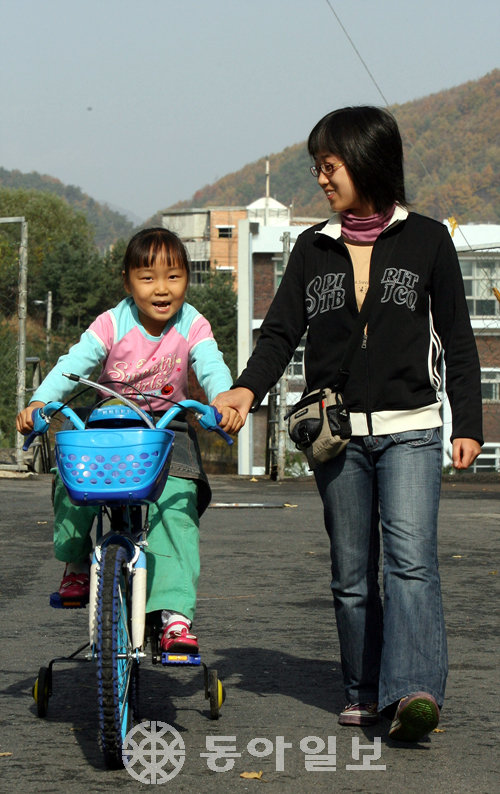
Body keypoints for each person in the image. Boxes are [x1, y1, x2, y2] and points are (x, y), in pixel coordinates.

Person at [213, 106, 483, 742]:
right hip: (336, 436)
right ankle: (365, 691)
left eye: (329, 167)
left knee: (412, 561)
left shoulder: (426, 241)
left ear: (367, 161)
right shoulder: (313, 248)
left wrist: (466, 422)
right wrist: (247, 389)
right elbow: (280, 332)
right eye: (318, 169)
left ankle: (414, 692)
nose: (323, 179)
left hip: (412, 428)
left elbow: (459, 340)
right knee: (352, 575)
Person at [17, 227, 242, 654]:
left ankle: (175, 615)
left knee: (177, 503)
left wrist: (224, 399)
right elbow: (74, 364)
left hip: (166, 426)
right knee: (69, 473)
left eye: (173, 277)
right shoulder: (112, 322)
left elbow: (211, 364)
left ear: (186, 281)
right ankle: (76, 561)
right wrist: (40, 402)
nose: (162, 289)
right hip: (110, 424)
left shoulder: (192, 323)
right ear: (127, 282)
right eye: (148, 277)